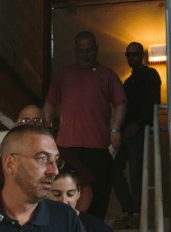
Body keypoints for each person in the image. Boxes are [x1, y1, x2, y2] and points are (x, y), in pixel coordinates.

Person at [44, 31, 127, 220]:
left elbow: (121, 104)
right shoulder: (64, 74)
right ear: (75, 51)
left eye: (89, 50)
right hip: (68, 149)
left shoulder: (107, 75)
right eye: (81, 51)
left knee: (98, 198)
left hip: (98, 149)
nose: (85, 54)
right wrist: (47, 130)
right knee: (66, 195)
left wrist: (115, 129)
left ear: (96, 50)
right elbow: (49, 103)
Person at [0, 104, 95, 212]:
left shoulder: (63, 153)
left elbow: (86, 191)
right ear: (18, 125)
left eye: (38, 120)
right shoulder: (9, 157)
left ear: (46, 125)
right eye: (25, 121)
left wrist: (73, 220)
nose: (32, 124)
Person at [112, 42, 161, 229]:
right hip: (126, 131)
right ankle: (130, 210)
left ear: (142, 55)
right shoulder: (128, 81)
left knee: (136, 171)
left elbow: (152, 102)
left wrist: (138, 124)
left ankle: (137, 212)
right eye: (128, 54)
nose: (131, 57)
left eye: (134, 54)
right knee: (115, 168)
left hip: (138, 130)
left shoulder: (149, 74)